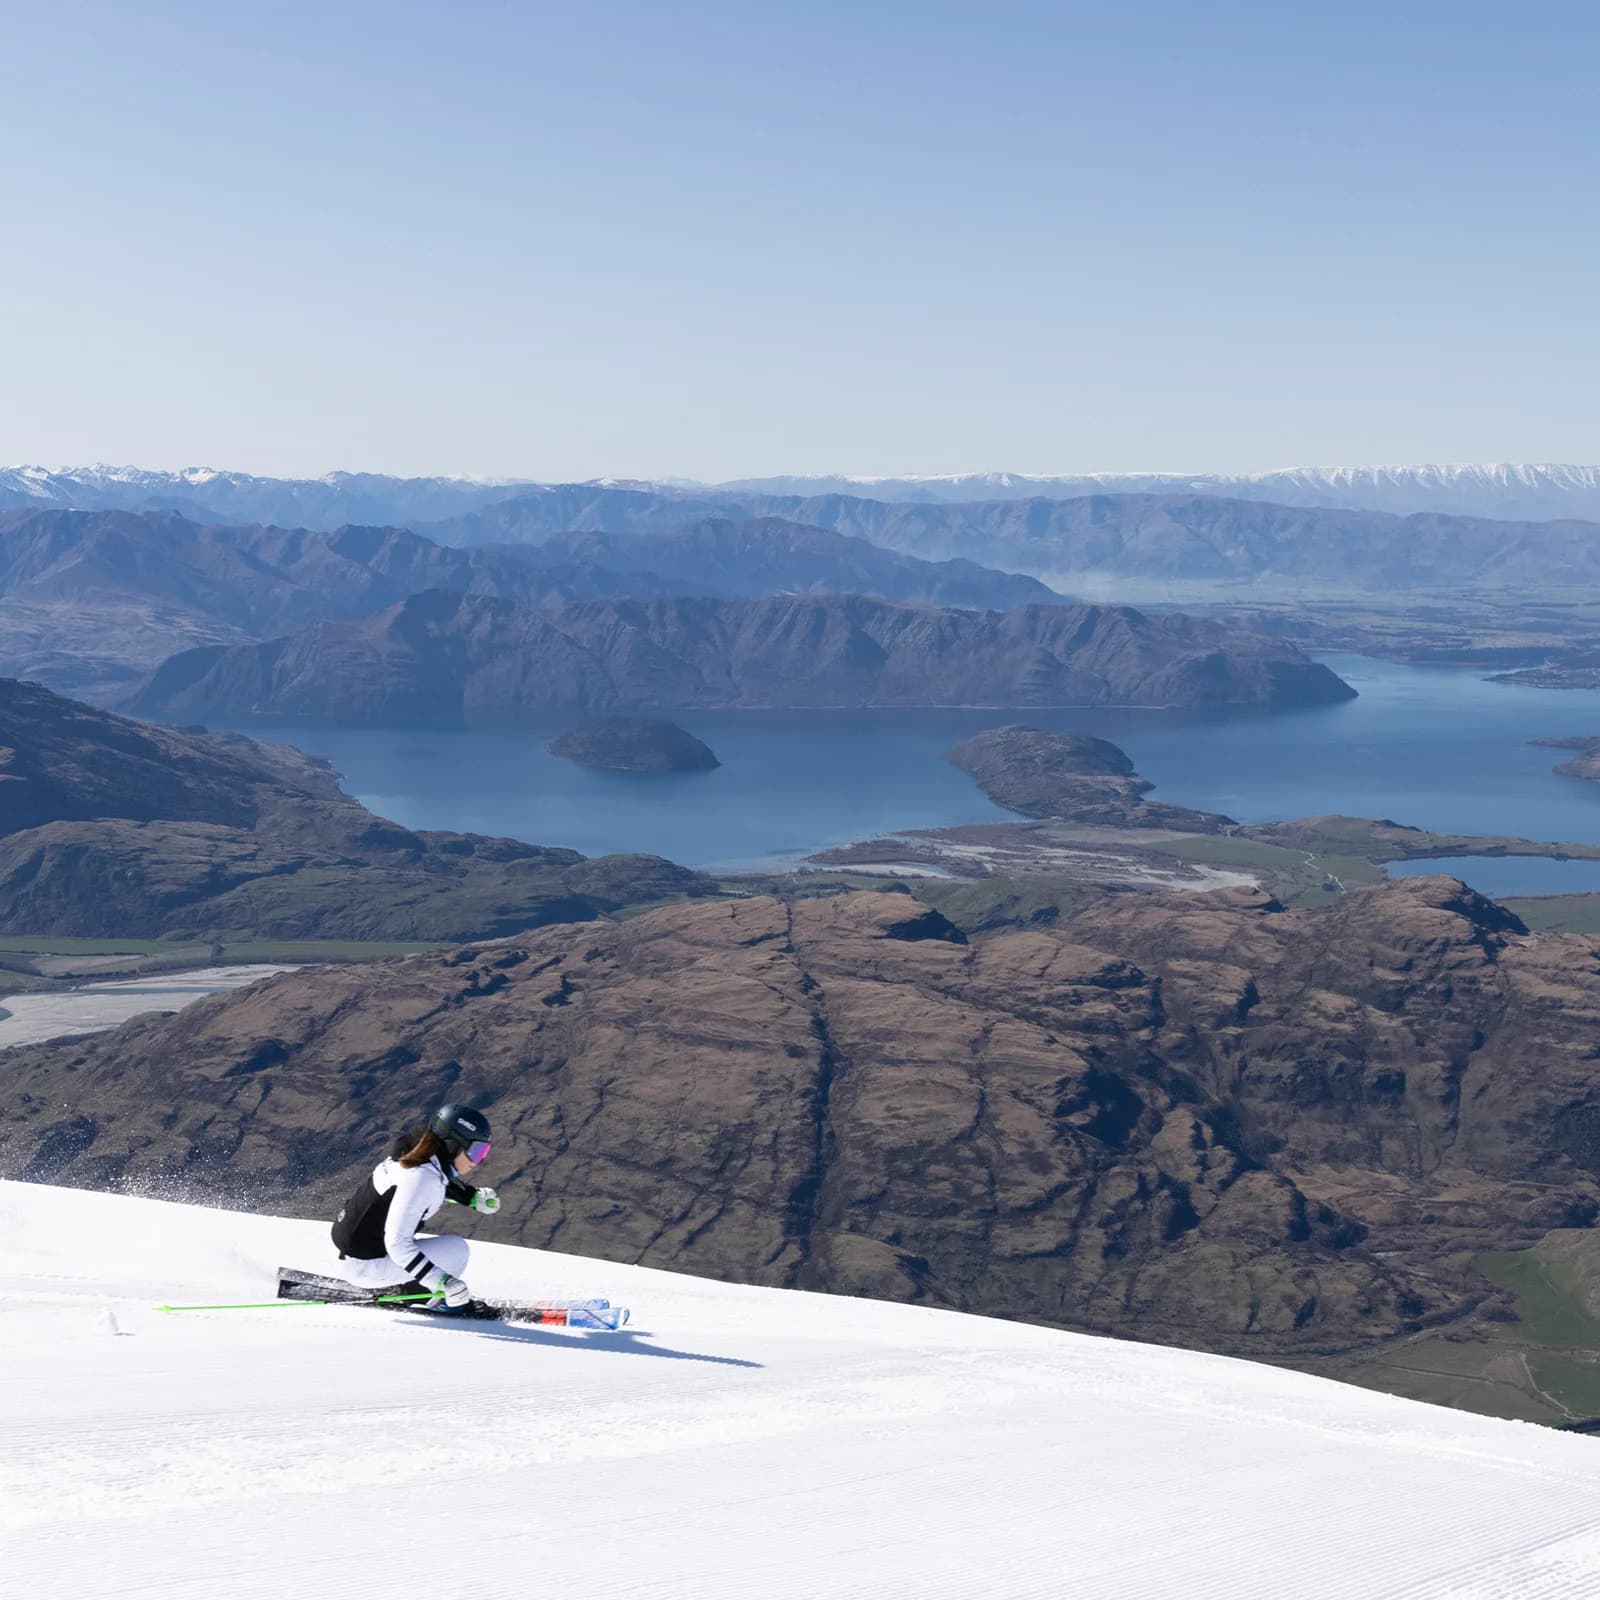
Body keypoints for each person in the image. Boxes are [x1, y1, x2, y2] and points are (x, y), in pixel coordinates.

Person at [330, 1103, 501, 1308]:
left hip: (358, 1253)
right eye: (477, 1151)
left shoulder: (414, 1155)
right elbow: (397, 1243)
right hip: (366, 1266)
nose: (477, 1161)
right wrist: (442, 1281)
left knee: (448, 1249)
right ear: (453, 1144)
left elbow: (431, 1184)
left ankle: (407, 1287)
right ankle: (430, 1299)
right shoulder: (420, 1178)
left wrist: (470, 1197)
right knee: (457, 1251)